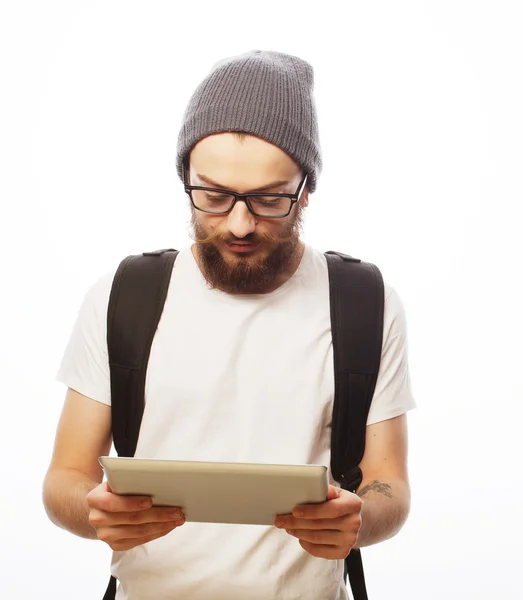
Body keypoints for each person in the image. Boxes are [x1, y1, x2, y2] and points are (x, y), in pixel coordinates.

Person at [42, 50, 416, 600]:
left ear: (306, 189)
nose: (239, 224)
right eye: (213, 196)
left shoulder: (365, 301)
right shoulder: (124, 295)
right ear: (185, 179)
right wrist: (96, 512)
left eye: (268, 200)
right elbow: (63, 481)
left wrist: (359, 518)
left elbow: (391, 485)